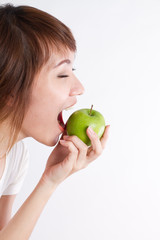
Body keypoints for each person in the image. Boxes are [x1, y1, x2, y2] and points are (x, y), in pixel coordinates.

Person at [0, 4, 110, 240]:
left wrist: (50, 180)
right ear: (11, 90)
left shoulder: (15, 157)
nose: (79, 88)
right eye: (62, 75)